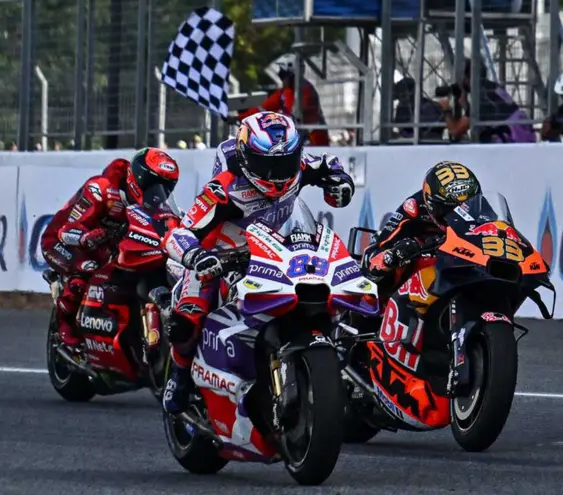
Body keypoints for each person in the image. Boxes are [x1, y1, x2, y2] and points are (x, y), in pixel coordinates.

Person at [160, 111, 355, 414]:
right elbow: (179, 233)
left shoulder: (299, 165)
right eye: (268, 164)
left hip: (274, 248)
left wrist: (340, 182)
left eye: (285, 163)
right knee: (186, 324)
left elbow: (329, 164)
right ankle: (179, 374)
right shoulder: (223, 189)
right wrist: (196, 255)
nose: (278, 173)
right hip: (219, 255)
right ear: (247, 157)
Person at [41, 148, 181, 355]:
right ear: (138, 177)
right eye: (153, 185)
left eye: (165, 187)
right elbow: (66, 230)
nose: (158, 192)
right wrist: (85, 237)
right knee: (86, 269)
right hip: (63, 242)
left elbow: (167, 226)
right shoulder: (102, 189)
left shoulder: (154, 205)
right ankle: (65, 328)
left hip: (103, 246)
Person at [360, 161, 481, 300]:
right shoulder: (413, 208)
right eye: (450, 210)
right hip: (423, 270)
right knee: (371, 293)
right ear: (431, 205)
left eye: (467, 206)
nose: (458, 216)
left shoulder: (481, 208)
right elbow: (375, 254)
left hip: (463, 267)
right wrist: (395, 254)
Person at [239, 63, 330, 147]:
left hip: (314, 139)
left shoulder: (306, 90)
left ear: (293, 75)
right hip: (298, 137)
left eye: (283, 76)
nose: (281, 79)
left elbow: (297, 113)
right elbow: (263, 109)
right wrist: (241, 117)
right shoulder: (283, 92)